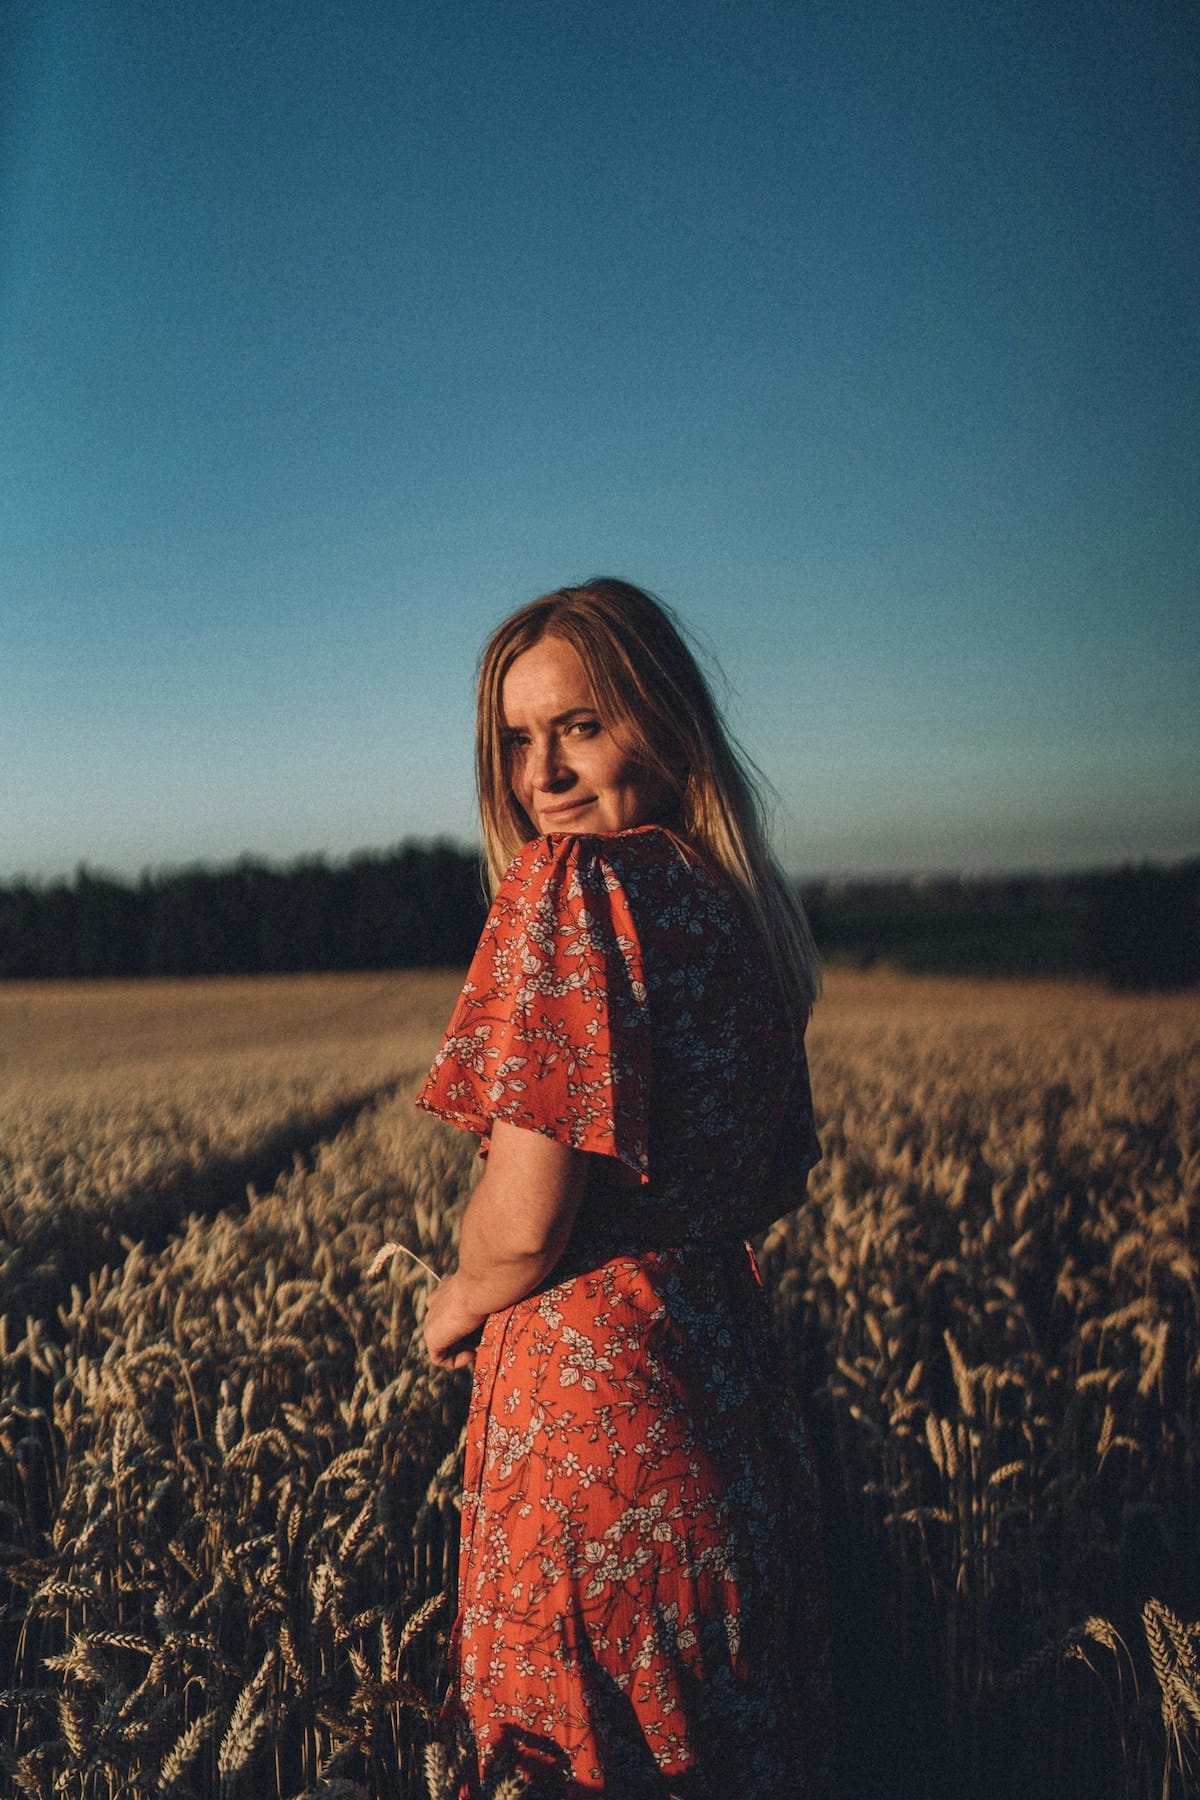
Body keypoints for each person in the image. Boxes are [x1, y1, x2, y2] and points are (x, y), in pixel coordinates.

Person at [417, 578, 831, 1797]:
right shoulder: (732, 906)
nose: (543, 774)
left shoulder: (575, 890)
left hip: (597, 1453)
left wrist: (456, 1294)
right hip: (738, 1418)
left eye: (580, 727)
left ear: (664, 722)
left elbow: (527, 1216)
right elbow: (782, 1169)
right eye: (517, 741)